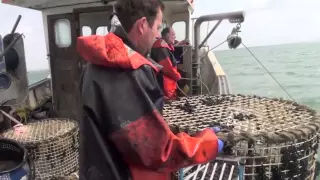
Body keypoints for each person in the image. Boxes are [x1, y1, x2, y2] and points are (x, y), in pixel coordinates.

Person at [77, 0, 224, 180]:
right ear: (142, 25)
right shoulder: (128, 71)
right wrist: (207, 143)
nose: (157, 34)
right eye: (157, 26)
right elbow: (157, 151)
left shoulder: (93, 64)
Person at [151, 27, 182, 100]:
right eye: (173, 34)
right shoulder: (161, 49)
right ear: (167, 36)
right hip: (165, 87)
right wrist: (179, 77)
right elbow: (167, 69)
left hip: (169, 86)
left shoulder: (164, 46)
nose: (175, 36)